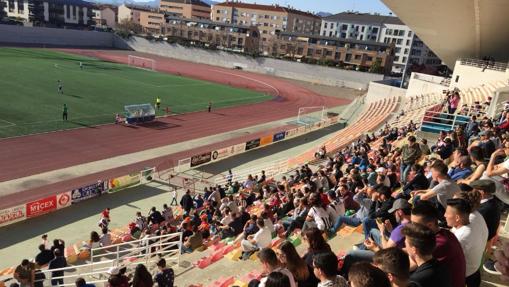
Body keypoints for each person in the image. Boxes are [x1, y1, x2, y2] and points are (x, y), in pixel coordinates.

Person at [410, 201, 465, 287]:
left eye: (415, 224)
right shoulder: (445, 233)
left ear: (430, 225)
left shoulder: (438, 243)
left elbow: (413, 263)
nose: (412, 227)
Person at [445, 197, 488, 287]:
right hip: (476, 270)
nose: (444, 215)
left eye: (447, 213)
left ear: (457, 217)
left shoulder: (459, 238)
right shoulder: (476, 217)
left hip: (466, 275)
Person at [402, 223, 452, 287]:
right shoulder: (443, 267)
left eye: (405, 244)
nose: (405, 247)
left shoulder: (415, 281)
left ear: (414, 250)